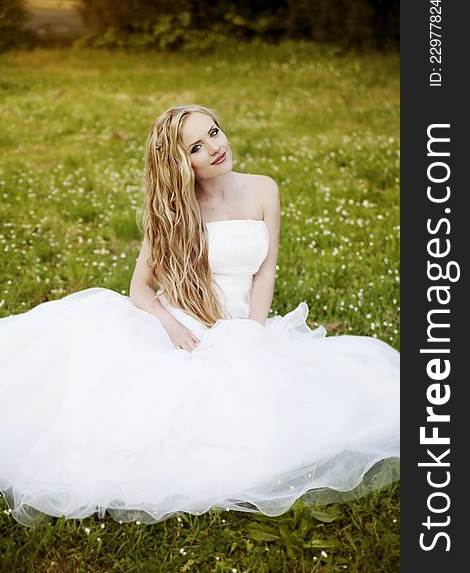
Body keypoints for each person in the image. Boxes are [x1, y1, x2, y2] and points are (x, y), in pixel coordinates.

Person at [0, 104, 400, 528]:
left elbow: (266, 268)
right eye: (196, 146)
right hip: (188, 326)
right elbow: (141, 288)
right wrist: (171, 327)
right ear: (180, 164)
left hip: (244, 325)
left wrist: (254, 333)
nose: (215, 147)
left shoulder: (265, 189)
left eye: (214, 132)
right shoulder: (175, 211)